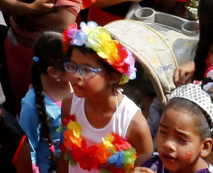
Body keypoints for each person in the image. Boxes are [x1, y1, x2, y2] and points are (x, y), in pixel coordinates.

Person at [59, 22, 152, 173]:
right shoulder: (69, 104)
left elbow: (147, 168)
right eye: (72, 66)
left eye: (87, 70)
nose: (76, 76)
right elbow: (64, 156)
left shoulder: (134, 124)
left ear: (113, 77)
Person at [143, 84, 213, 173]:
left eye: (182, 139)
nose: (168, 144)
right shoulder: (147, 163)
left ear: (205, 146)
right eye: (163, 132)